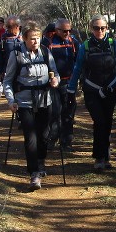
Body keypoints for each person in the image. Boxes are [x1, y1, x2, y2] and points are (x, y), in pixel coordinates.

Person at [3, 24, 59, 191]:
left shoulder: (46, 52)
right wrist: (11, 100)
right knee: (31, 137)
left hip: (45, 100)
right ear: (24, 39)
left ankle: (41, 160)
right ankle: (34, 172)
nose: (35, 41)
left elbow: (54, 72)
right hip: (24, 102)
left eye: (38, 38)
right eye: (32, 38)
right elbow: (8, 80)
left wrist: (55, 80)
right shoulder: (16, 55)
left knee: (44, 135)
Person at [68, 15, 116, 170]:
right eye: (96, 28)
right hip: (91, 91)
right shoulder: (85, 46)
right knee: (99, 121)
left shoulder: (114, 44)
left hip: (110, 90)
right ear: (91, 29)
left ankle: (105, 156)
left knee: (107, 122)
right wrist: (71, 89)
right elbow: (77, 68)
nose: (99, 31)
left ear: (107, 28)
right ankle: (99, 157)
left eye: (102, 28)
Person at [44, 18, 79, 150]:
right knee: (54, 112)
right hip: (53, 84)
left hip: (69, 83)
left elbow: (78, 60)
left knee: (69, 112)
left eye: (69, 30)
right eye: (64, 31)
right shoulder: (48, 42)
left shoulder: (73, 42)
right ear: (57, 30)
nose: (67, 33)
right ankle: (52, 138)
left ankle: (66, 141)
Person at [0, 16, 23, 96]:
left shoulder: (25, 37)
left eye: (9, 27)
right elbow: (0, 55)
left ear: (17, 27)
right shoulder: (4, 38)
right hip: (8, 71)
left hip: (24, 71)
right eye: (6, 27)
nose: (7, 29)